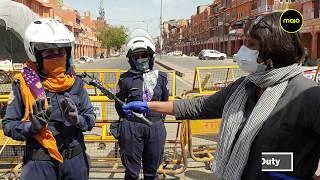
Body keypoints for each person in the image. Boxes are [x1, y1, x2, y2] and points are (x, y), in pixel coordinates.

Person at [122, 12, 320, 180]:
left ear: (272, 50)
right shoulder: (244, 87)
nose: (242, 51)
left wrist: (297, 172)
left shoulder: (307, 95)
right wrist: (148, 106)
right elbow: (199, 106)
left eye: (251, 45)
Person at [2, 18, 95, 180]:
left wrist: (77, 119)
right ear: (35, 54)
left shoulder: (76, 82)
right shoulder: (23, 84)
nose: (57, 56)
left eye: (61, 52)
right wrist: (32, 127)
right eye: (49, 53)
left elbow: (90, 118)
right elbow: (9, 125)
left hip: (75, 163)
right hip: (39, 164)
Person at [113, 29, 168, 180]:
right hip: (131, 127)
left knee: (152, 171)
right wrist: (127, 116)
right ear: (131, 59)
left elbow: (165, 102)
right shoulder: (125, 79)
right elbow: (118, 104)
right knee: (132, 173)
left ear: (151, 57)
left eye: (144, 55)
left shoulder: (161, 78)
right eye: (136, 57)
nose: (141, 59)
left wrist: (156, 120)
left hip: (155, 127)